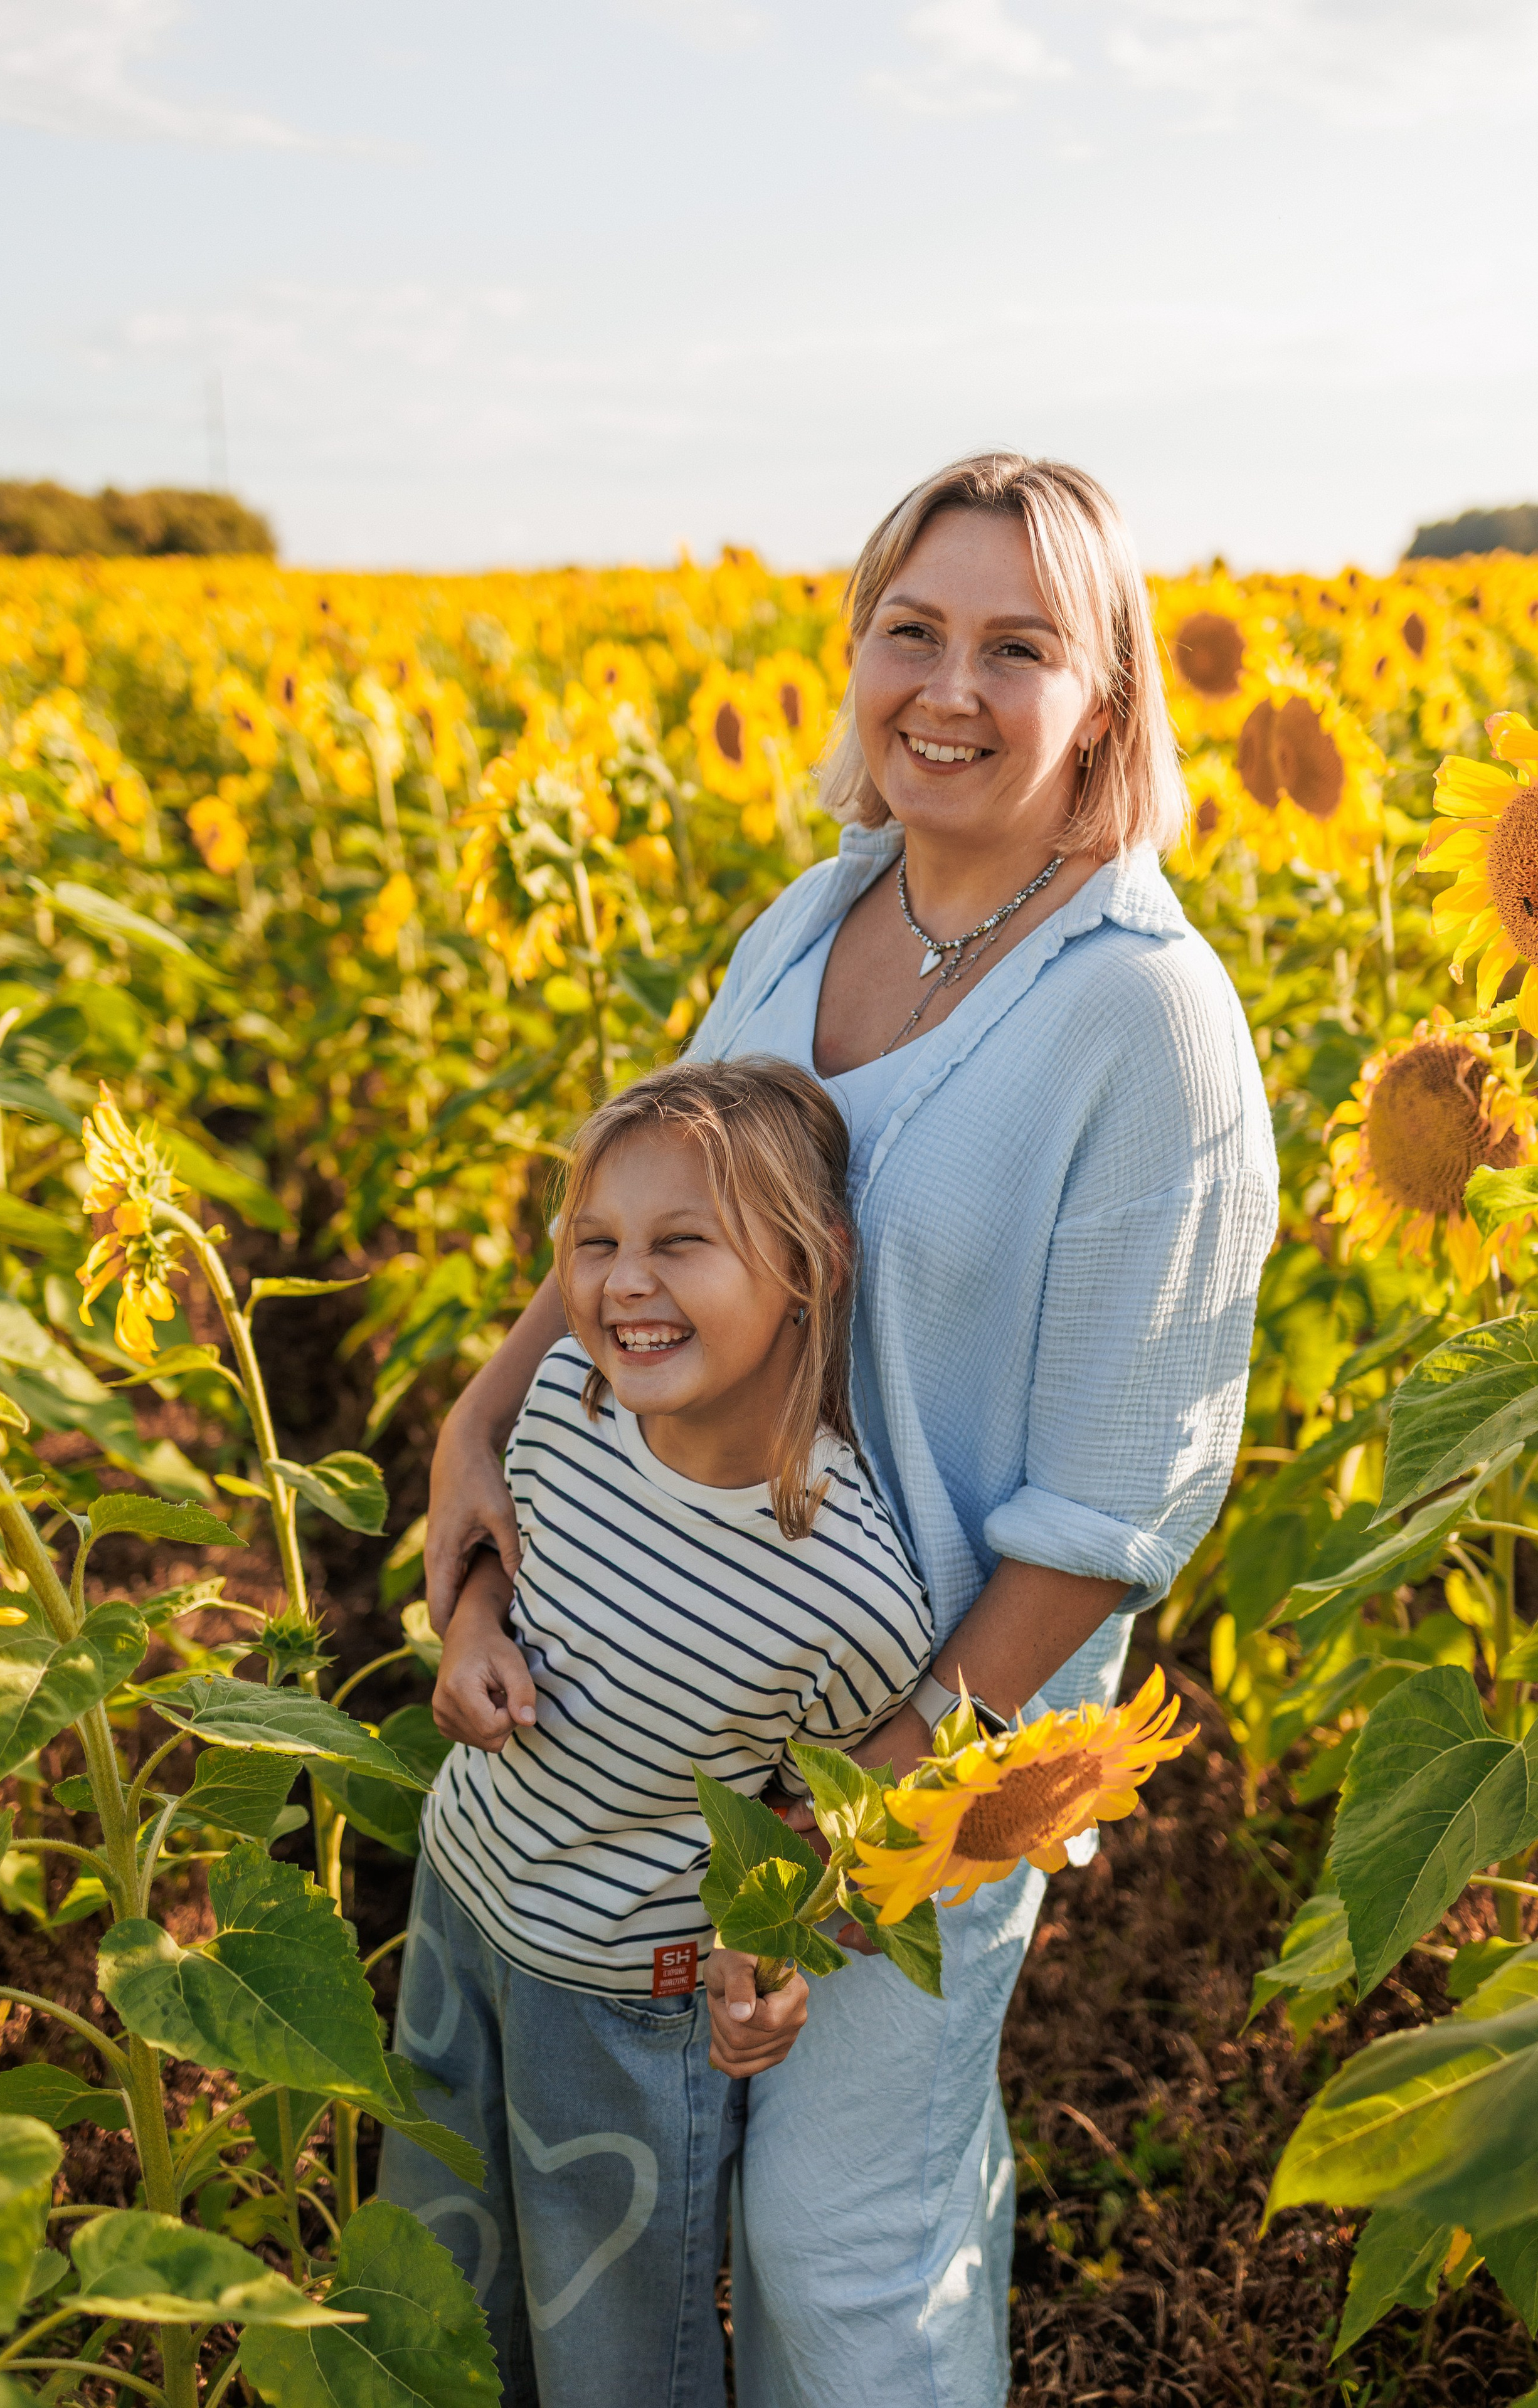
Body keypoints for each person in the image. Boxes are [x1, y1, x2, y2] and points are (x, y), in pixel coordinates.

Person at [423, 452, 1278, 2404]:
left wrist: (878, 1803)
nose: (949, 692)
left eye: (1016, 646)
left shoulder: (1148, 1020)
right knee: (658, 2183)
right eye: (914, 632)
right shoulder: (813, 917)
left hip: (938, 1732)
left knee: (839, 2237)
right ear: (858, 651)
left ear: (1109, 700)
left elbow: (1122, 1497)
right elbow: (662, 1210)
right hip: (686, 1676)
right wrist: (480, 1428)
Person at [381, 1057, 932, 2407]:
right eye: (596, 1244)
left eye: (680, 1243)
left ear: (808, 1266)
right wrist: (471, 1634)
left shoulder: (845, 1591)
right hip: (460, 1904)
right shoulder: (572, 1410)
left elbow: (843, 1830)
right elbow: (501, 1552)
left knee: (614, 2338)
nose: (624, 1282)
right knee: (433, 2264)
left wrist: (783, 1962)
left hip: (623, 2010)